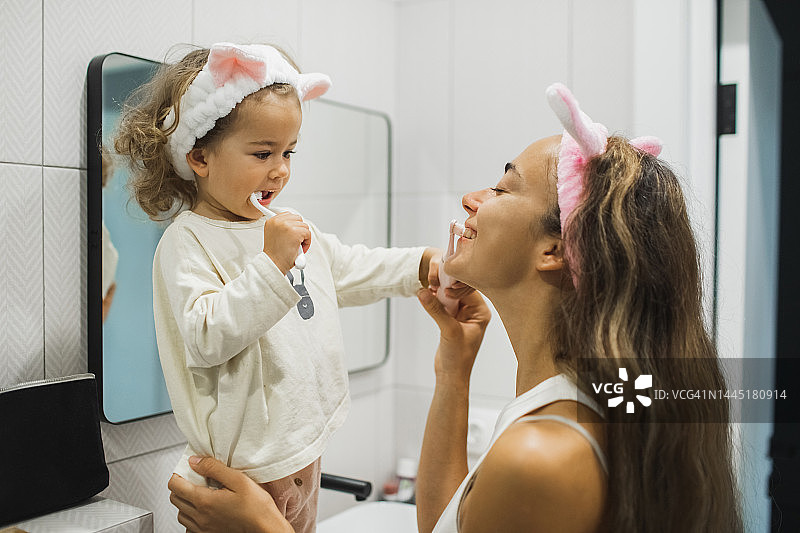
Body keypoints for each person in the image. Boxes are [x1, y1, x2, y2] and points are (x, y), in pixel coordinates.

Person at [167, 83, 743, 532]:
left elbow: (350, 265)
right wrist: (454, 370)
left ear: (553, 249)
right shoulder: (562, 402)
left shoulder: (541, 456)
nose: (472, 197)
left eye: (503, 187)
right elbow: (450, 524)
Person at [114, 42, 459, 533]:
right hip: (247, 474)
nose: (280, 169)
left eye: (288, 151)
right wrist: (272, 265)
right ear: (200, 157)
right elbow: (205, 336)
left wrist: (423, 265)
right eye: (262, 153)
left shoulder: (284, 225)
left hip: (303, 452)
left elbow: (349, 268)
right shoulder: (187, 241)